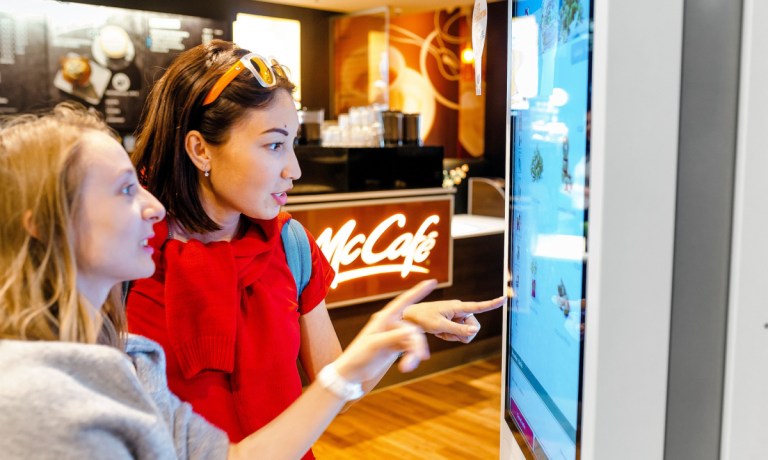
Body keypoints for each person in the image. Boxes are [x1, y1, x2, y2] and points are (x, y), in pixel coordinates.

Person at [126, 39, 504, 457]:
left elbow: (338, 386)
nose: (295, 169)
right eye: (274, 145)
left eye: (293, 143)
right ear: (200, 149)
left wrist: (400, 327)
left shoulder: (290, 244)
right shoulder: (127, 255)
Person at [0, 103, 437, 459]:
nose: (153, 208)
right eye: (126, 190)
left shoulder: (131, 358)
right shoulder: (32, 400)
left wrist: (363, 357)